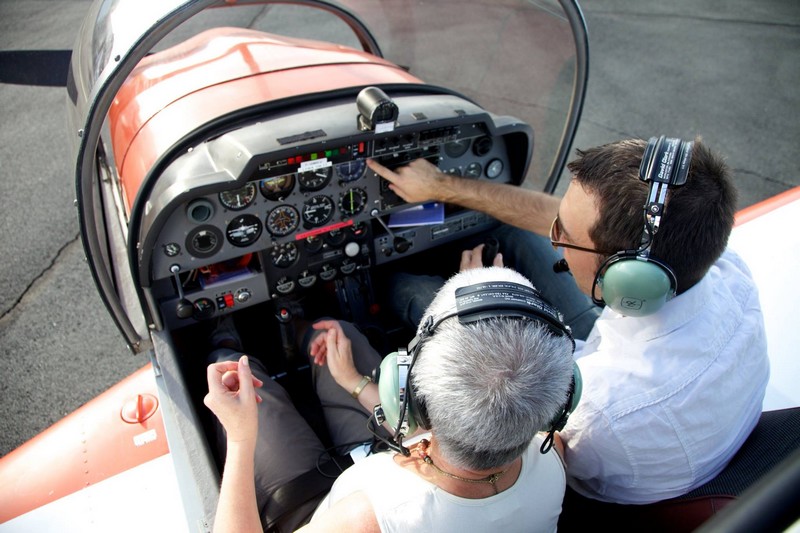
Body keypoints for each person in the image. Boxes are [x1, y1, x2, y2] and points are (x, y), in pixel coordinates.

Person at [366, 137, 770, 504]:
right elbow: (571, 226)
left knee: (414, 292)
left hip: (568, 468)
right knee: (515, 232)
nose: (555, 239)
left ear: (627, 279)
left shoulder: (602, 413)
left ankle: (386, 284)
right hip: (613, 357)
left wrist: (471, 292)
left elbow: (486, 446)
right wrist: (440, 186)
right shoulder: (723, 270)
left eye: (567, 235)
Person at [205, 266, 576, 532]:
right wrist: (351, 382)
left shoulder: (368, 520)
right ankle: (300, 324)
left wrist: (240, 439)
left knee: (241, 380)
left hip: (315, 509)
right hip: (389, 457)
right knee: (344, 336)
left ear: (409, 400)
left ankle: (222, 340)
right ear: (561, 403)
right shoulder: (555, 454)